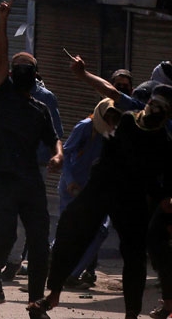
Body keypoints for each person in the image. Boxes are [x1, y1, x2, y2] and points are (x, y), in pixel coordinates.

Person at [34, 85, 172, 319]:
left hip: (131, 199)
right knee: (70, 230)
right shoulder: (128, 120)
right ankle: (52, 296)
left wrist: (163, 198)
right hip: (102, 187)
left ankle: (131, 313)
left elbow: (157, 176)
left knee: (134, 255)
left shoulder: (162, 140)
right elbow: (111, 153)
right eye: (152, 104)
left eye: (160, 107)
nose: (153, 109)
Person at [0, 0, 62, 319]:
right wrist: (1, 21)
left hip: (29, 182)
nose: (21, 72)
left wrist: (57, 156)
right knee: (3, 239)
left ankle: (35, 305)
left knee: (40, 245)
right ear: (12, 73)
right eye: (17, 69)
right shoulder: (3, 95)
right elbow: (0, 55)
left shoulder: (39, 111)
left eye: (27, 70)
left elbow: (55, 139)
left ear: (35, 75)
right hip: (1, 180)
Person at [55, 98, 121, 289]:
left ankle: (73, 274)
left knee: (100, 230)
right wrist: (70, 181)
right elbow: (66, 153)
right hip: (73, 187)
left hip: (96, 188)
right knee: (70, 230)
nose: (110, 122)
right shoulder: (85, 127)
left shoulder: (114, 133)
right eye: (108, 117)